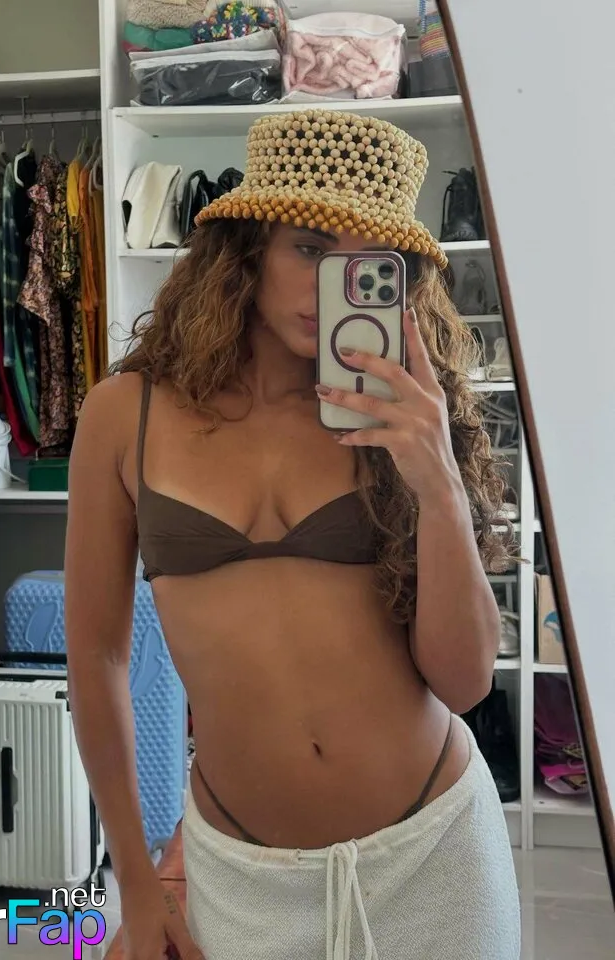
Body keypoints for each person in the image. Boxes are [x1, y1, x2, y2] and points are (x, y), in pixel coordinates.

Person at [64, 110, 521, 960]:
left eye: (366, 264)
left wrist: (439, 485)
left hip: (435, 850)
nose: (327, 286)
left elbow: (462, 684)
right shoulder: (125, 415)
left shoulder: (407, 419)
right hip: (244, 875)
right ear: (247, 251)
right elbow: (96, 657)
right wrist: (136, 879)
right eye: (308, 248)